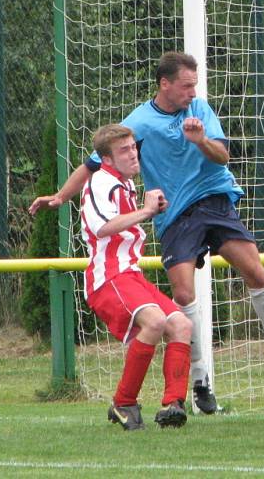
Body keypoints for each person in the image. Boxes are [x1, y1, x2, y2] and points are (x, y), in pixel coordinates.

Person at [30, 52, 264, 413]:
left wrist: (201, 140)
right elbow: (93, 163)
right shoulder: (138, 122)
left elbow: (223, 157)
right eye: (186, 86)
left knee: (254, 270)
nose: (192, 92)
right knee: (183, 293)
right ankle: (201, 380)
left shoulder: (199, 110)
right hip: (175, 213)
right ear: (165, 84)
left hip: (213, 200)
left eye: (194, 85)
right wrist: (61, 196)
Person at [80, 124, 192, 430]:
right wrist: (144, 212)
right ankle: (123, 402)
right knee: (155, 322)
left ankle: (173, 405)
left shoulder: (124, 183)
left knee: (181, 324)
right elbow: (101, 227)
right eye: (123, 151)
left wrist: (149, 210)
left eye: (133, 148)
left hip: (129, 274)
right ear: (107, 159)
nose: (133, 154)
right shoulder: (100, 182)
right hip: (108, 276)